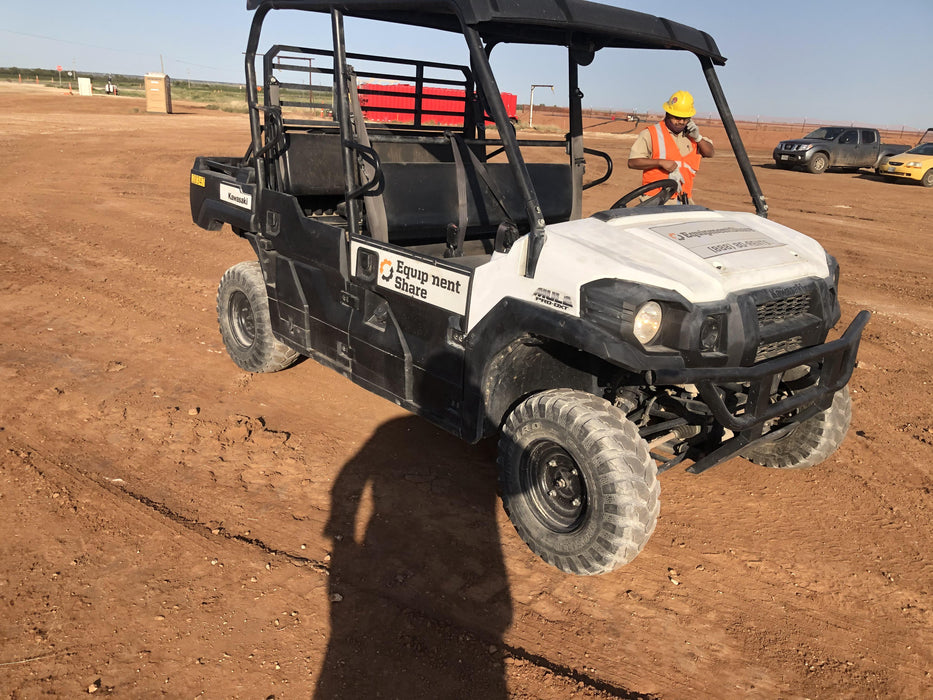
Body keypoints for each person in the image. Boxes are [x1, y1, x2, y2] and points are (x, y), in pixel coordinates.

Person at [627, 90, 715, 203]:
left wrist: (698, 138)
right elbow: (632, 162)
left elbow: (710, 152)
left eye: (686, 118)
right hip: (657, 201)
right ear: (667, 114)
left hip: (685, 200)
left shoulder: (693, 136)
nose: (681, 122)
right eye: (677, 118)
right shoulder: (651, 133)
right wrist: (660, 162)